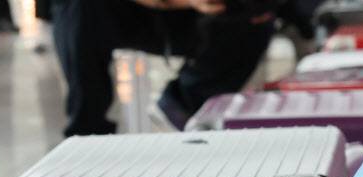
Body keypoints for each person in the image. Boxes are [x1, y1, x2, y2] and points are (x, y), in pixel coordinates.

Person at [44, 0, 276, 135]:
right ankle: (86, 132)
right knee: (79, 8)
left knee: (257, 16)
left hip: (191, 18)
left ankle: (183, 104)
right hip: (116, 10)